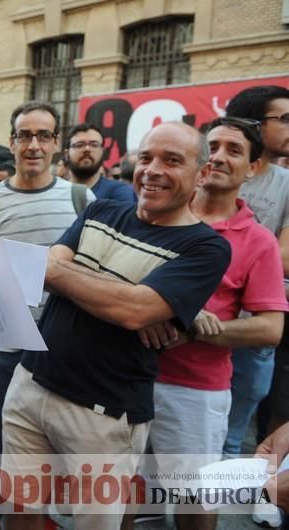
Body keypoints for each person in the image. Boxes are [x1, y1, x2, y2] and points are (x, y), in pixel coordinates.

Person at [1, 122, 231, 530]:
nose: (153, 169)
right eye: (146, 158)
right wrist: (138, 298)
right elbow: (52, 269)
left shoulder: (206, 247)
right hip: (30, 384)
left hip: (104, 414)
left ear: (201, 173)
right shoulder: (102, 209)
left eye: (172, 160)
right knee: (20, 511)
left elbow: (131, 311)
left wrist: (136, 302)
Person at [139, 117, 287, 530]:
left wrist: (197, 326)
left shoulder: (258, 240)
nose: (220, 157)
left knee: (194, 497)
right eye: (214, 147)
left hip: (194, 393)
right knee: (123, 489)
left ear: (254, 168)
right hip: (126, 376)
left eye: (234, 150)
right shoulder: (156, 215)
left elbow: (270, 328)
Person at [0, 101, 94, 530]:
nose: (34, 144)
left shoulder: (82, 198)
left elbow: (94, 268)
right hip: (5, 340)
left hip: (65, 342)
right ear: (12, 142)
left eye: (43, 135)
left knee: (55, 434)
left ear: (57, 143)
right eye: (25, 135)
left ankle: (37, 514)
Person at [223, 86, 289, 458]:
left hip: (256, 330)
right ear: (253, 124)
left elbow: (286, 258)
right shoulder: (209, 173)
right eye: (284, 119)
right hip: (199, 324)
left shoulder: (287, 185)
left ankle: (208, 510)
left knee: (232, 438)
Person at [63, 123, 136, 201]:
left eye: (94, 145)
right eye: (79, 145)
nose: (87, 149)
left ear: (102, 152)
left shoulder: (120, 192)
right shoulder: (54, 192)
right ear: (66, 154)